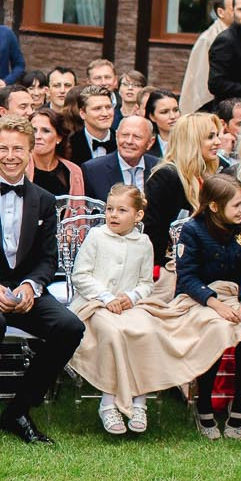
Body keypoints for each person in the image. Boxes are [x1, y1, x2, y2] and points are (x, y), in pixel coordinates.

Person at [0, 117, 87, 447]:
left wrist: (31, 286)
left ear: (30, 151)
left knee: (70, 327)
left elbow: (48, 259)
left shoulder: (44, 200)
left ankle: (18, 411)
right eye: (4, 148)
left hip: (22, 289)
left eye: (18, 149)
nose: (10, 156)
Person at [175, 173, 241, 441]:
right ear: (214, 206)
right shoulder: (193, 230)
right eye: (237, 204)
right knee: (218, 329)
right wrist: (215, 304)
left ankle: (239, 404)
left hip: (236, 295)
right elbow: (187, 277)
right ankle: (204, 404)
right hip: (199, 297)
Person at [69, 184, 158, 435]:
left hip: (129, 306)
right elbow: (80, 275)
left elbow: (146, 283)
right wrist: (106, 297)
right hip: (94, 303)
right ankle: (108, 402)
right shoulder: (96, 236)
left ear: (138, 215)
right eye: (110, 209)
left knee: (146, 332)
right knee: (113, 333)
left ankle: (139, 401)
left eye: (122, 210)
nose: (113, 215)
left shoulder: (143, 243)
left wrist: (132, 296)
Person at [142, 111, 225, 271]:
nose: (218, 142)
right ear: (191, 140)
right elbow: (154, 232)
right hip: (172, 268)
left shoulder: (207, 175)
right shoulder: (166, 176)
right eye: (210, 137)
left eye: (217, 136)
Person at [179, 0, 236, 116]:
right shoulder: (208, 38)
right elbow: (201, 81)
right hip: (215, 106)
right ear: (221, 12)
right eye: (235, 8)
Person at [80, 114, 158, 201]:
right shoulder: (93, 170)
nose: (129, 141)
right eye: (124, 135)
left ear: (150, 142)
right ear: (117, 136)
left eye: (137, 137)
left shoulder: (159, 168)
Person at [22, 110, 85, 200]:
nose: (38, 136)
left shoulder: (73, 172)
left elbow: (78, 206)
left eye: (45, 131)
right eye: (33, 130)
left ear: (59, 137)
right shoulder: (20, 168)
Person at [64, 86, 119, 164]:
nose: (105, 113)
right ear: (82, 113)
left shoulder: (121, 142)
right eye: (97, 108)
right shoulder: (69, 145)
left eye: (108, 107)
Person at [145, 90, 180, 157]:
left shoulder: (192, 143)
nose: (172, 116)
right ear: (152, 117)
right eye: (164, 112)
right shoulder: (147, 147)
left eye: (176, 110)